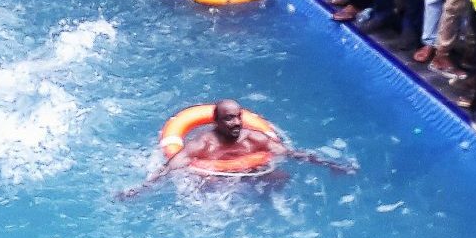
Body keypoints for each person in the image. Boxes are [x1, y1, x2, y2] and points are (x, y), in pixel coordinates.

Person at [127, 99, 351, 193]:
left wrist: (330, 164)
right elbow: (172, 166)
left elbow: (291, 154)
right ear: (216, 122)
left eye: (237, 117)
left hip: (251, 173)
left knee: (281, 177)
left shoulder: (254, 139)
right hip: (216, 179)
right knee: (208, 185)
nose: (235, 123)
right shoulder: (203, 144)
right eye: (228, 119)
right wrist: (141, 188)